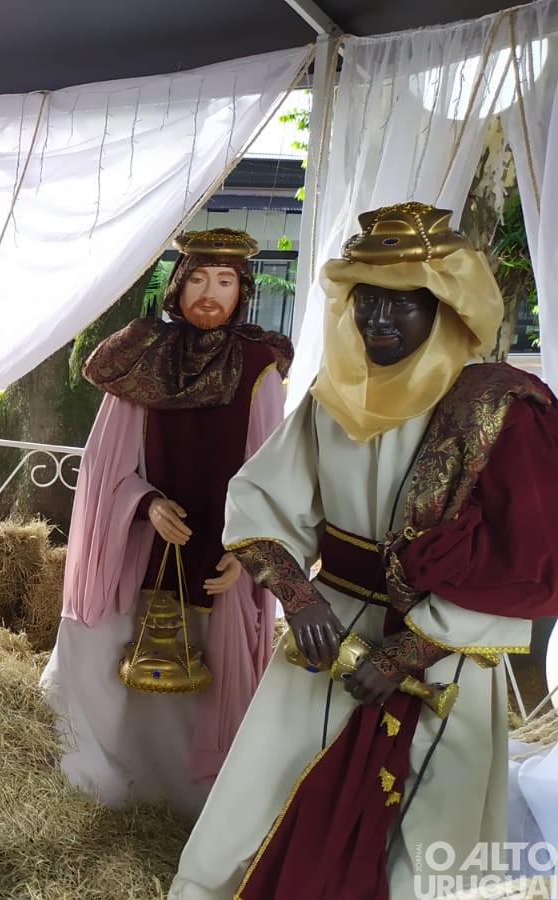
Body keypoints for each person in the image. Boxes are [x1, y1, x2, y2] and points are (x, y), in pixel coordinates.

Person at [170, 203, 558, 899]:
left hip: (443, 658)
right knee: (259, 797)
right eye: (366, 299)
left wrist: (404, 654)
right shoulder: (333, 396)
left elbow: (524, 561)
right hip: (328, 637)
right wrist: (301, 595)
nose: (378, 318)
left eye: (401, 303)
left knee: (426, 836)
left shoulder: (501, 408)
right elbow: (260, 499)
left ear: (442, 308)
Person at [39, 229, 292, 815]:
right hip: (139, 546)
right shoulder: (142, 356)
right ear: (178, 287)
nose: (210, 294)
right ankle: (107, 782)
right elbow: (105, 466)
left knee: (209, 671)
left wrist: (252, 550)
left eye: (225, 282)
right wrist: (146, 503)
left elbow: (274, 469)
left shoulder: (259, 366)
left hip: (220, 554)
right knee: (109, 654)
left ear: (241, 292)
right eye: (199, 279)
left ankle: (191, 802)